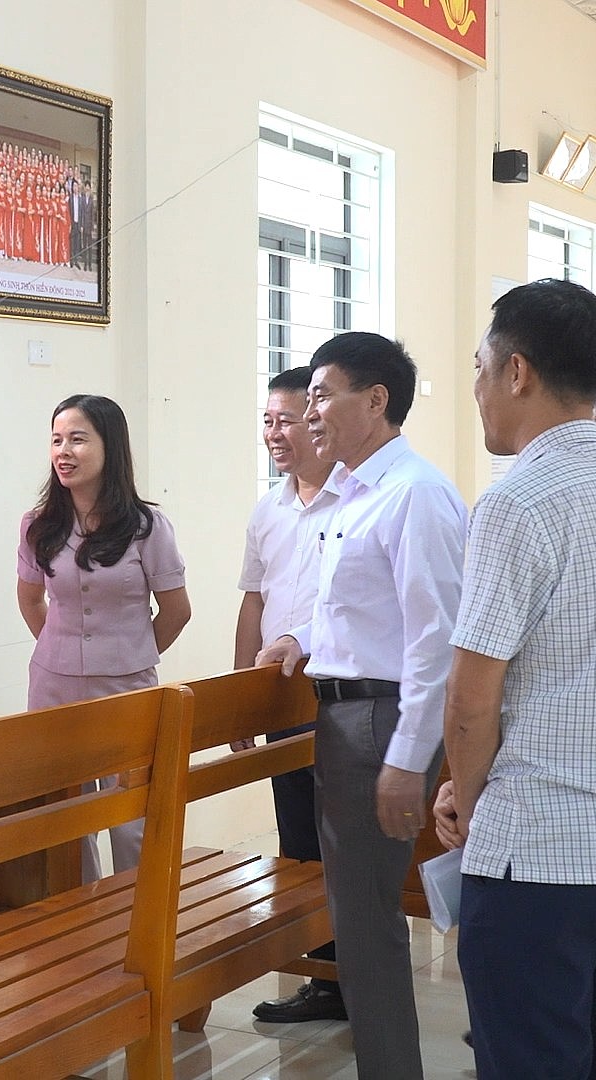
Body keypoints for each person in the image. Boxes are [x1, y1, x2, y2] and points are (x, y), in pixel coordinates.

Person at [434, 279, 596, 1080]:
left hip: (545, 855)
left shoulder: (517, 501)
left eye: (479, 366)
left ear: (516, 371)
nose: (477, 387)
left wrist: (471, 802)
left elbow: (472, 696)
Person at [251, 334, 465, 1076]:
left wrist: (408, 759)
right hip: (349, 713)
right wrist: (299, 638)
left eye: (321, 395)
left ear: (375, 401)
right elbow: (361, 610)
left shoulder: (415, 494)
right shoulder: (356, 490)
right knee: (358, 915)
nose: (308, 412)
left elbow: (436, 639)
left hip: (378, 718)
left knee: (367, 921)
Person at [17, 394, 190, 882]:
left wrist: (127, 653)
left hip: (126, 685)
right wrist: (62, 650)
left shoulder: (146, 526)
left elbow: (177, 611)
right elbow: (30, 600)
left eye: (77, 439)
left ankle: (137, 914)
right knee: (67, 816)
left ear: (109, 446)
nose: (63, 452)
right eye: (56, 440)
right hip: (53, 687)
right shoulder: (38, 525)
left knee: (131, 816)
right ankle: (82, 914)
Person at [232, 365, 345, 1021]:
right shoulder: (268, 509)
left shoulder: (354, 502)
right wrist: (240, 697)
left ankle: (356, 979)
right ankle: (324, 981)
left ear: (318, 422)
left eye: (287, 420)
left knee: (342, 845)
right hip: (280, 697)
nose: (274, 433)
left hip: (341, 696)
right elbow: (254, 602)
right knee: (299, 843)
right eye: (267, 421)